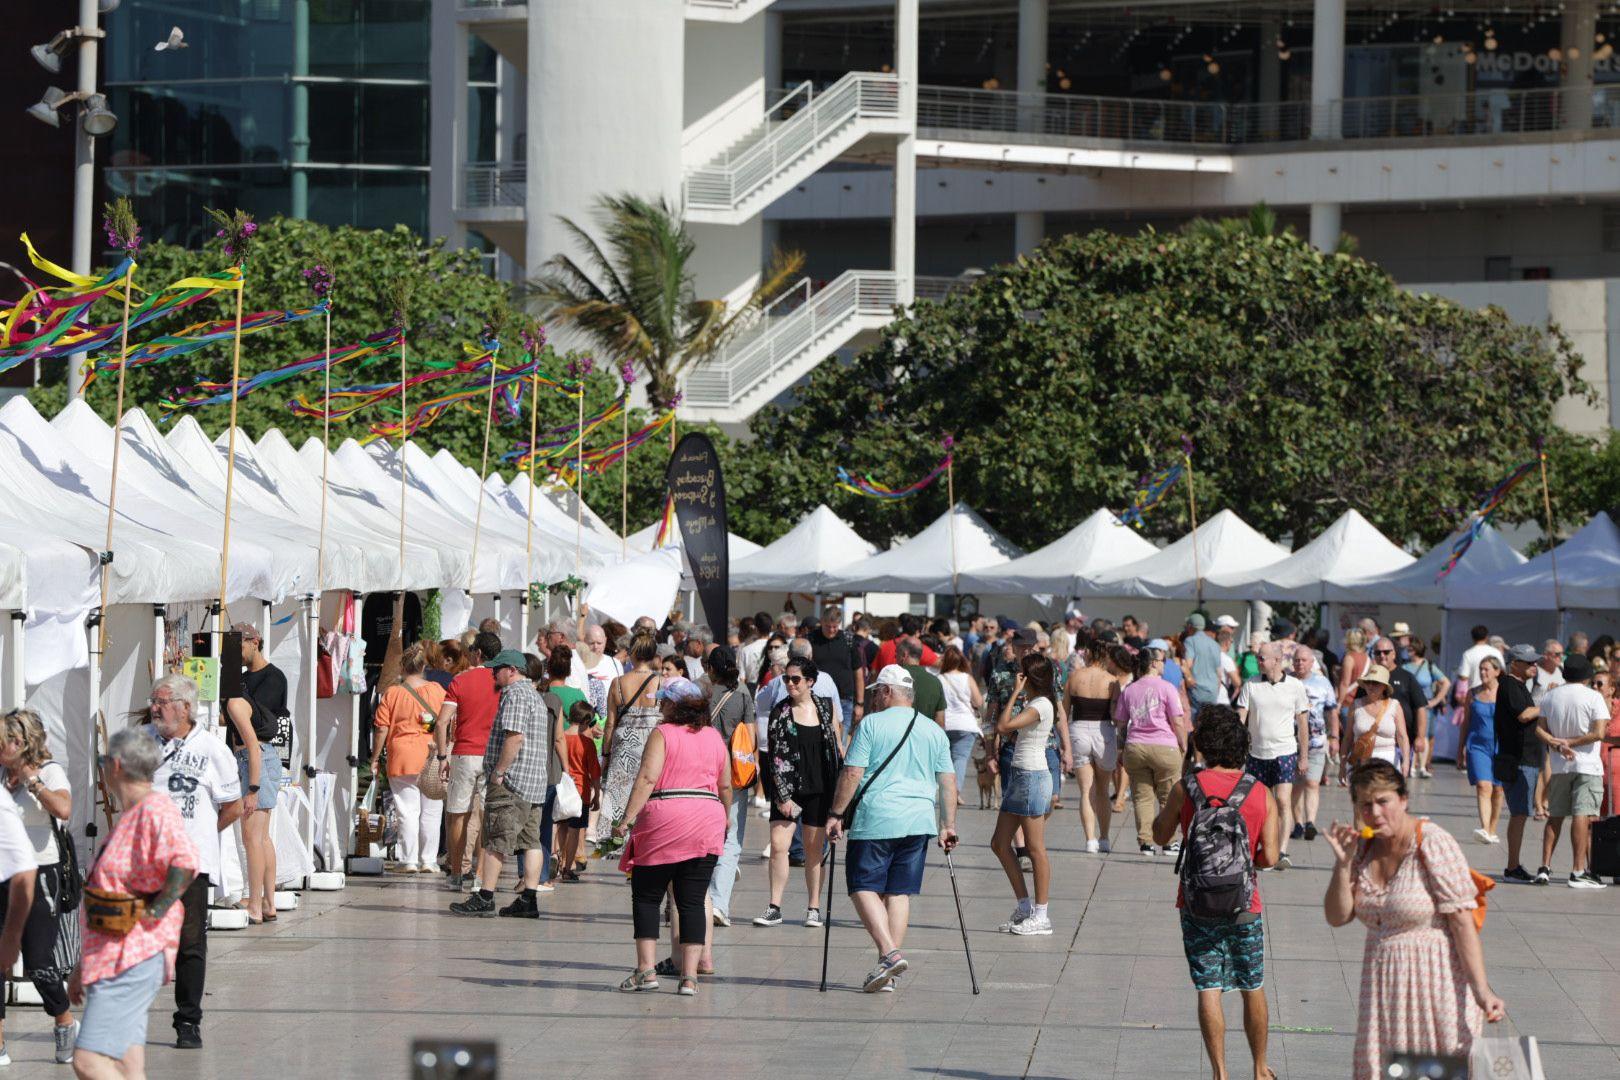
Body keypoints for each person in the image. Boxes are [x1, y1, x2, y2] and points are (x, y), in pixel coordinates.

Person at [1323, 761, 1505, 1080]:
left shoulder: (1430, 841)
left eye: (1383, 801)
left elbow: (1463, 923)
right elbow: (1337, 917)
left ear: (1403, 799)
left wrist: (1481, 991)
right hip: (1382, 989)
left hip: (1436, 984)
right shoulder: (1362, 851)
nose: (1375, 813)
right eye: (1366, 805)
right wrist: (1342, 865)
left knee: (1439, 1070)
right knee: (1381, 1071)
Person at [1151, 706, 1279, 1080]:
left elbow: (1160, 836)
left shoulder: (1187, 787)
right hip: (1245, 902)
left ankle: (1220, 1074)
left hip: (1196, 902)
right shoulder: (1260, 792)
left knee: (1209, 986)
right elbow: (1269, 857)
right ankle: (1259, 1069)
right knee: (1251, 983)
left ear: (1203, 746)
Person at [70, 728, 200, 1080]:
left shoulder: (154, 809)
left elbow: (184, 862)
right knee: (129, 1066)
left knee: (88, 1061)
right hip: (114, 952)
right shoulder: (132, 814)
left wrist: (153, 911)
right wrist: (84, 965)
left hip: (131, 954)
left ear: (115, 765)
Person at [825, 665, 956, 992]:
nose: (872, 698)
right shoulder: (933, 730)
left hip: (878, 817)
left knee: (861, 885)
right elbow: (948, 780)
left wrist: (836, 813)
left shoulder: (870, 725)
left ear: (887, 691)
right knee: (899, 891)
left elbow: (852, 773)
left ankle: (888, 952)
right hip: (919, 820)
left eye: (875, 692)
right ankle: (888, 972)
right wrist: (948, 825)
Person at [611, 677, 730, 997]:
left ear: (675, 706)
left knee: (647, 896)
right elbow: (726, 786)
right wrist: (726, 818)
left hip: (664, 819)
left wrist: (625, 820)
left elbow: (648, 778)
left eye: (664, 701)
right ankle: (689, 978)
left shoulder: (662, 734)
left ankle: (646, 970)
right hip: (707, 819)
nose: (660, 706)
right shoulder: (715, 737)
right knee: (692, 900)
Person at [146, 673, 243, 1050]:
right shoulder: (145, 744)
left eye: (163, 701)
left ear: (186, 707)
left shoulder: (212, 749)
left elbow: (233, 806)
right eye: (154, 700)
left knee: (189, 943)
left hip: (190, 864)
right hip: (148, 860)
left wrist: (198, 834)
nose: (155, 707)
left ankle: (188, 1021)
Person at [449, 649, 552, 918]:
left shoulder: (515, 695)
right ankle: (529, 899)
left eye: (497, 669)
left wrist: (499, 771)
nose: (492, 674)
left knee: (496, 838)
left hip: (513, 782)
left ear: (512, 670)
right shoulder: (535, 696)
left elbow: (515, 737)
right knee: (530, 842)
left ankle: (485, 896)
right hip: (533, 783)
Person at [0, 709, 77, 1063]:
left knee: (39, 962)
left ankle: (63, 1019)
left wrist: (33, 781)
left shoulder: (49, 771)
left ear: (20, 742)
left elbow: (63, 809)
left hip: (40, 873)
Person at [756, 656, 842, 928]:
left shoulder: (826, 708)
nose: (790, 684)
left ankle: (813, 907)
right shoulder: (780, 711)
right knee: (780, 847)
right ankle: (774, 906)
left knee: (814, 849)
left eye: (796, 679)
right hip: (788, 788)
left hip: (820, 788)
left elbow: (837, 747)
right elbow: (772, 757)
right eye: (786, 679)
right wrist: (782, 796)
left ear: (810, 682)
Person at [990, 653, 1060, 936]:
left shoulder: (1041, 704)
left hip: (1032, 777)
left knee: (1035, 848)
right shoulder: (1034, 703)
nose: (1016, 676)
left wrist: (1016, 692)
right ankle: (1024, 906)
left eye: (1021, 673)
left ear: (1031, 677)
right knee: (999, 843)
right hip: (1021, 776)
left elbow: (1003, 725)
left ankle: (1041, 915)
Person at [369, 643, 448, 874]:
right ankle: (429, 860)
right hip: (431, 756)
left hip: (401, 757)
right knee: (432, 811)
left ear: (402, 667)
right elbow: (448, 721)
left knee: (407, 811)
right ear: (424, 666)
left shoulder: (393, 693)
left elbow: (381, 728)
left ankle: (409, 860)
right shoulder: (437, 690)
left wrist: (375, 757)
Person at [434, 630, 502, 890]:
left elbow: (442, 722)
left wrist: (442, 756)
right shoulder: (503, 682)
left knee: (457, 815)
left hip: (464, 753)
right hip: (493, 756)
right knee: (486, 817)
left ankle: (455, 874)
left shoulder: (461, 680)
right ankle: (481, 876)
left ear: (477, 653)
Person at [226, 623, 284, 925]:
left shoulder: (237, 701)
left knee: (252, 838)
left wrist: (252, 787)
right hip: (261, 759)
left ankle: (256, 906)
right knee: (260, 838)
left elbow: (252, 745)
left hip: (255, 760)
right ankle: (267, 903)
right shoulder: (243, 695)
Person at [1536, 654, 1609, 888]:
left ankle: (1544, 867)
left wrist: (1559, 744)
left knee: (1555, 816)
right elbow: (1599, 733)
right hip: (1587, 765)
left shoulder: (1551, 696)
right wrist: (1571, 743)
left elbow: (1540, 730)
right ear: (1587, 676)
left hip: (1559, 766)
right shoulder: (1594, 697)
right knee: (1582, 814)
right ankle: (1578, 871)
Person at [1236, 642, 1310, 870]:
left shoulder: (1295, 686)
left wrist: (1303, 755)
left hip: (1284, 751)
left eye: (1261, 658)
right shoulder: (1251, 685)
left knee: (1282, 801)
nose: (1257, 661)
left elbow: (1303, 722)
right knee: (1258, 804)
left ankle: (1282, 851)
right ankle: (1261, 847)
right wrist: (1236, 752)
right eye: (1258, 657)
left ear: (1276, 661)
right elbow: (1240, 719)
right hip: (1256, 753)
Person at [1116, 643, 1187, 857]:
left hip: (1135, 747)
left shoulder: (1129, 689)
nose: (1164, 664)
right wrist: (1183, 745)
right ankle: (1169, 842)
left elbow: (1120, 723)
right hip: (1164, 746)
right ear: (1154, 663)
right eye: (1162, 660)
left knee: (1142, 796)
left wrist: (1121, 749)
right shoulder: (1167, 688)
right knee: (1168, 796)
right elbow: (1178, 721)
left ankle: (1146, 842)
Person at [598, 632, 664, 850]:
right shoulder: (660, 682)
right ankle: (645, 842)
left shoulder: (618, 683)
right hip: (653, 744)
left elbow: (610, 723)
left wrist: (606, 755)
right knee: (649, 791)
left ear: (633, 654)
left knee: (620, 795)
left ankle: (619, 839)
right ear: (654, 656)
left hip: (625, 742)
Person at [703, 647, 754, 927]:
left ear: (711, 668)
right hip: (734, 772)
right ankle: (719, 903)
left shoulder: (704, 693)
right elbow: (751, 736)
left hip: (704, 770)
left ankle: (700, 898)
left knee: (704, 835)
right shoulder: (744, 693)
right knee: (732, 837)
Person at [1493, 644, 1544, 884]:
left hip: (1526, 758)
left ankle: (1513, 865)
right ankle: (1512, 866)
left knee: (1521, 814)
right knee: (1519, 814)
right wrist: (1546, 704)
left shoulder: (1519, 685)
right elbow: (1523, 715)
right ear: (1515, 664)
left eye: (1535, 662)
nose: (1534, 666)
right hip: (1519, 760)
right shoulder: (1510, 684)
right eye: (1529, 662)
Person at [1066, 637, 1123, 854]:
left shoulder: (1074, 677)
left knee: (1085, 790)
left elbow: (1064, 709)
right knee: (1102, 789)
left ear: (1088, 654)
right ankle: (1105, 838)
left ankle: (1090, 840)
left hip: (1079, 728)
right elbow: (1116, 715)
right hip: (1103, 731)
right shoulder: (1111, 680)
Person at [1463, 656, 1506, 846]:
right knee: (1483, 786)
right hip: (1477, 746)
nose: (1482, 673)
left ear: (1497, 671)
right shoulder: (1472, 693)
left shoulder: (1505, 693)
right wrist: (1460, 749)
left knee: (1498, 788)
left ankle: (1492, 828)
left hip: (1501, 745)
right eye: (1480, 669)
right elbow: (1465, 722)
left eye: (1487, 669)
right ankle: (1485, 829)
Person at [1292, 649, 1335, 842]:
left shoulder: (1322, 682)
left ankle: (1310, 822)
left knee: (1312, 783)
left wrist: (1335, 737)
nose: (1300, 663)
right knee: (1296, 786)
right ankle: (1298, 823)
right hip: (1290, 743)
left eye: (1304, 660)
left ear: (1312, 663)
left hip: (1316, 742)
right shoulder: (1287, 681)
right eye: (1297, 660)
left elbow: (1332, 711)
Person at [555, 701, 599, 884]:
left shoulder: (560, 738)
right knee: (575, 830)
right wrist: (597, 792)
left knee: (560, 826)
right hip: (580, 792)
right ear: (586, 720)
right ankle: (568, 867)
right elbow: (594, 772)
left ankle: (556, 858)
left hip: (561, 789)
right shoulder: (587, 743)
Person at [806, 605, 866, 735]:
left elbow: (858, 672)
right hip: (817, 699)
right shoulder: (810, 639)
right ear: (822, 622)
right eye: (828, 626)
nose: (832, 630)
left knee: (841, 745)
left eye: (835, 626)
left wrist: (860, 703)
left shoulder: (848, 640)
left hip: (844, 700)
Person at [937, 646, 983, 804]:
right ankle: (955, 791)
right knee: (960, 759)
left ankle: (945, 791)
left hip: (945, 724)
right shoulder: (967, 678)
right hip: (965, 725)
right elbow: (978, 701)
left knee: (945, 760)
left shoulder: (939, 678)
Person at [1345, 665, 1409, 775]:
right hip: (1360, 761)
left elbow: (1402, 736)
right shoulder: (1355, 705)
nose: (1370, 686)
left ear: (1384, 686)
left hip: (1387, 761)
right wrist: (1342, 764)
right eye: (1368, 682)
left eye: (1375, 683)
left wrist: (1406, 761)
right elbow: (1347, 737)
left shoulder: (1395, 706)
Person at [1403, 639, 1450, 778]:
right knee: (1411, 734)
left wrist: (1436, 701)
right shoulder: (1405, 666)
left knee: (1424, 735)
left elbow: (1446, 682)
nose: (1408, 651)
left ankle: (1422, 766)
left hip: (1425, 706)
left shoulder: (1429, 666)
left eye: (1410, 649)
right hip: (1410, 706)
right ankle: (1411, 765)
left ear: (1417, 649)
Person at [896, 638, 945, 727]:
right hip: (926, 737)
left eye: (896, 655)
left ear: (904, 655)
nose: (895, 658)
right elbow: (940, 720)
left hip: (897, 736)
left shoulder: (893, 676)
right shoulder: (935, 682)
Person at [1182, 614, 1224, 713]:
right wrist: (1216, 691)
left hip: (1197, 689)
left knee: (1196, 722)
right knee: (1209, 721)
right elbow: (1219, 672)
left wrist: (1187, 677)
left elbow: (1188, 664)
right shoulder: (1215, 644)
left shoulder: (1190, 641)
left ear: (1190, 627)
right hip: (1213, 691)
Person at [1456, 624, 1503, 695]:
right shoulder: (1496, 652)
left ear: (1472, 638)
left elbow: (1463, 676)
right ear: (1487, 637)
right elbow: (1502, 672)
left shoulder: (1468, 654)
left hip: (1476, 694)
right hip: (1496, 693)